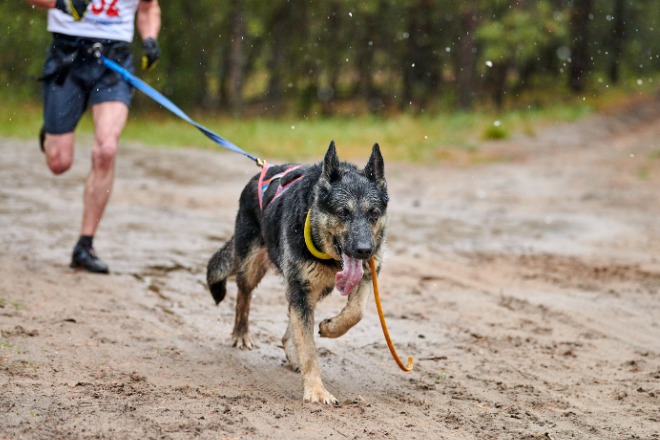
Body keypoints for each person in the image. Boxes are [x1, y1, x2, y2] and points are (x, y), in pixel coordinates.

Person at [26, 0, 161, 273]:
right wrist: (60, 3)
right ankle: (54, 130)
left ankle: (85, 245)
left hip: (114, 62)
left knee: (106, 149)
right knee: (59, 163)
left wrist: (150, 39)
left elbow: (148, 7)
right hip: (68, 56)